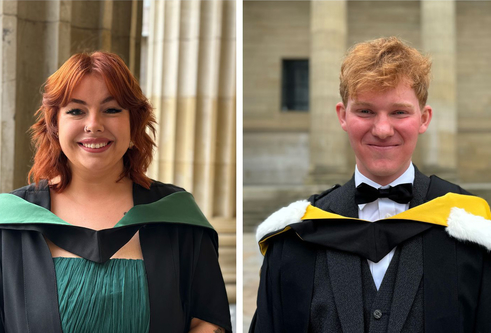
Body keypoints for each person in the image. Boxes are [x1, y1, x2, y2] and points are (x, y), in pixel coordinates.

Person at [250, 37, 491, 333]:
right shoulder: (294, 239)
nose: (382, 129)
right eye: (365, 111)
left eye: (399, 112)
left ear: (423, 119)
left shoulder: (473, 232)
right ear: (343, 116)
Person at [0, 52, 232, 333]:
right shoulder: (9, 225)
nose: (94, 124)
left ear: (134, 123)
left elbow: (208, 321)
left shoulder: (176, 216)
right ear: (54, 124)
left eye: (112, 110)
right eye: (76, 110)